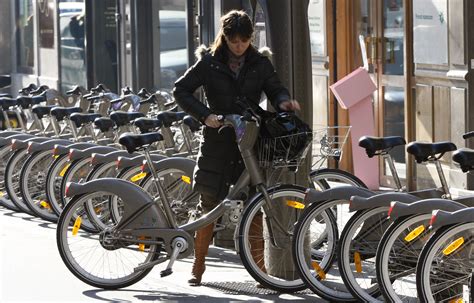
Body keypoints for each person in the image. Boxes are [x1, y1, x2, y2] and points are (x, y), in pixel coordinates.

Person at [173, 9, 300, 286]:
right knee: (209, 205)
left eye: (244, 41)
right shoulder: (208, 63)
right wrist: (205, 115)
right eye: (234, 41)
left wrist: (284, 101)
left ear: (251, 38)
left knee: (255, 206)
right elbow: (180, 90)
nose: (240, 46)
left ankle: (260, 271)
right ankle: (198, 267)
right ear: (225, 37)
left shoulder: (260, 63)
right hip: (217, 143)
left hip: (249, 143)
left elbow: (275, 88)